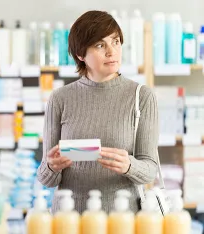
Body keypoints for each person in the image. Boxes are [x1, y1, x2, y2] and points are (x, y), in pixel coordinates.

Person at [37, 10, 159, 214]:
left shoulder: (141, 96)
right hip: (69, 220)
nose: (112, 51)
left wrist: (129, 165)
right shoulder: (60, 98)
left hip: (122, 220)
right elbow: (45, 178)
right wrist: (52, 166)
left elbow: (150, 171)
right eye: (100, 45)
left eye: (116, 42)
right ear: (80, 54)